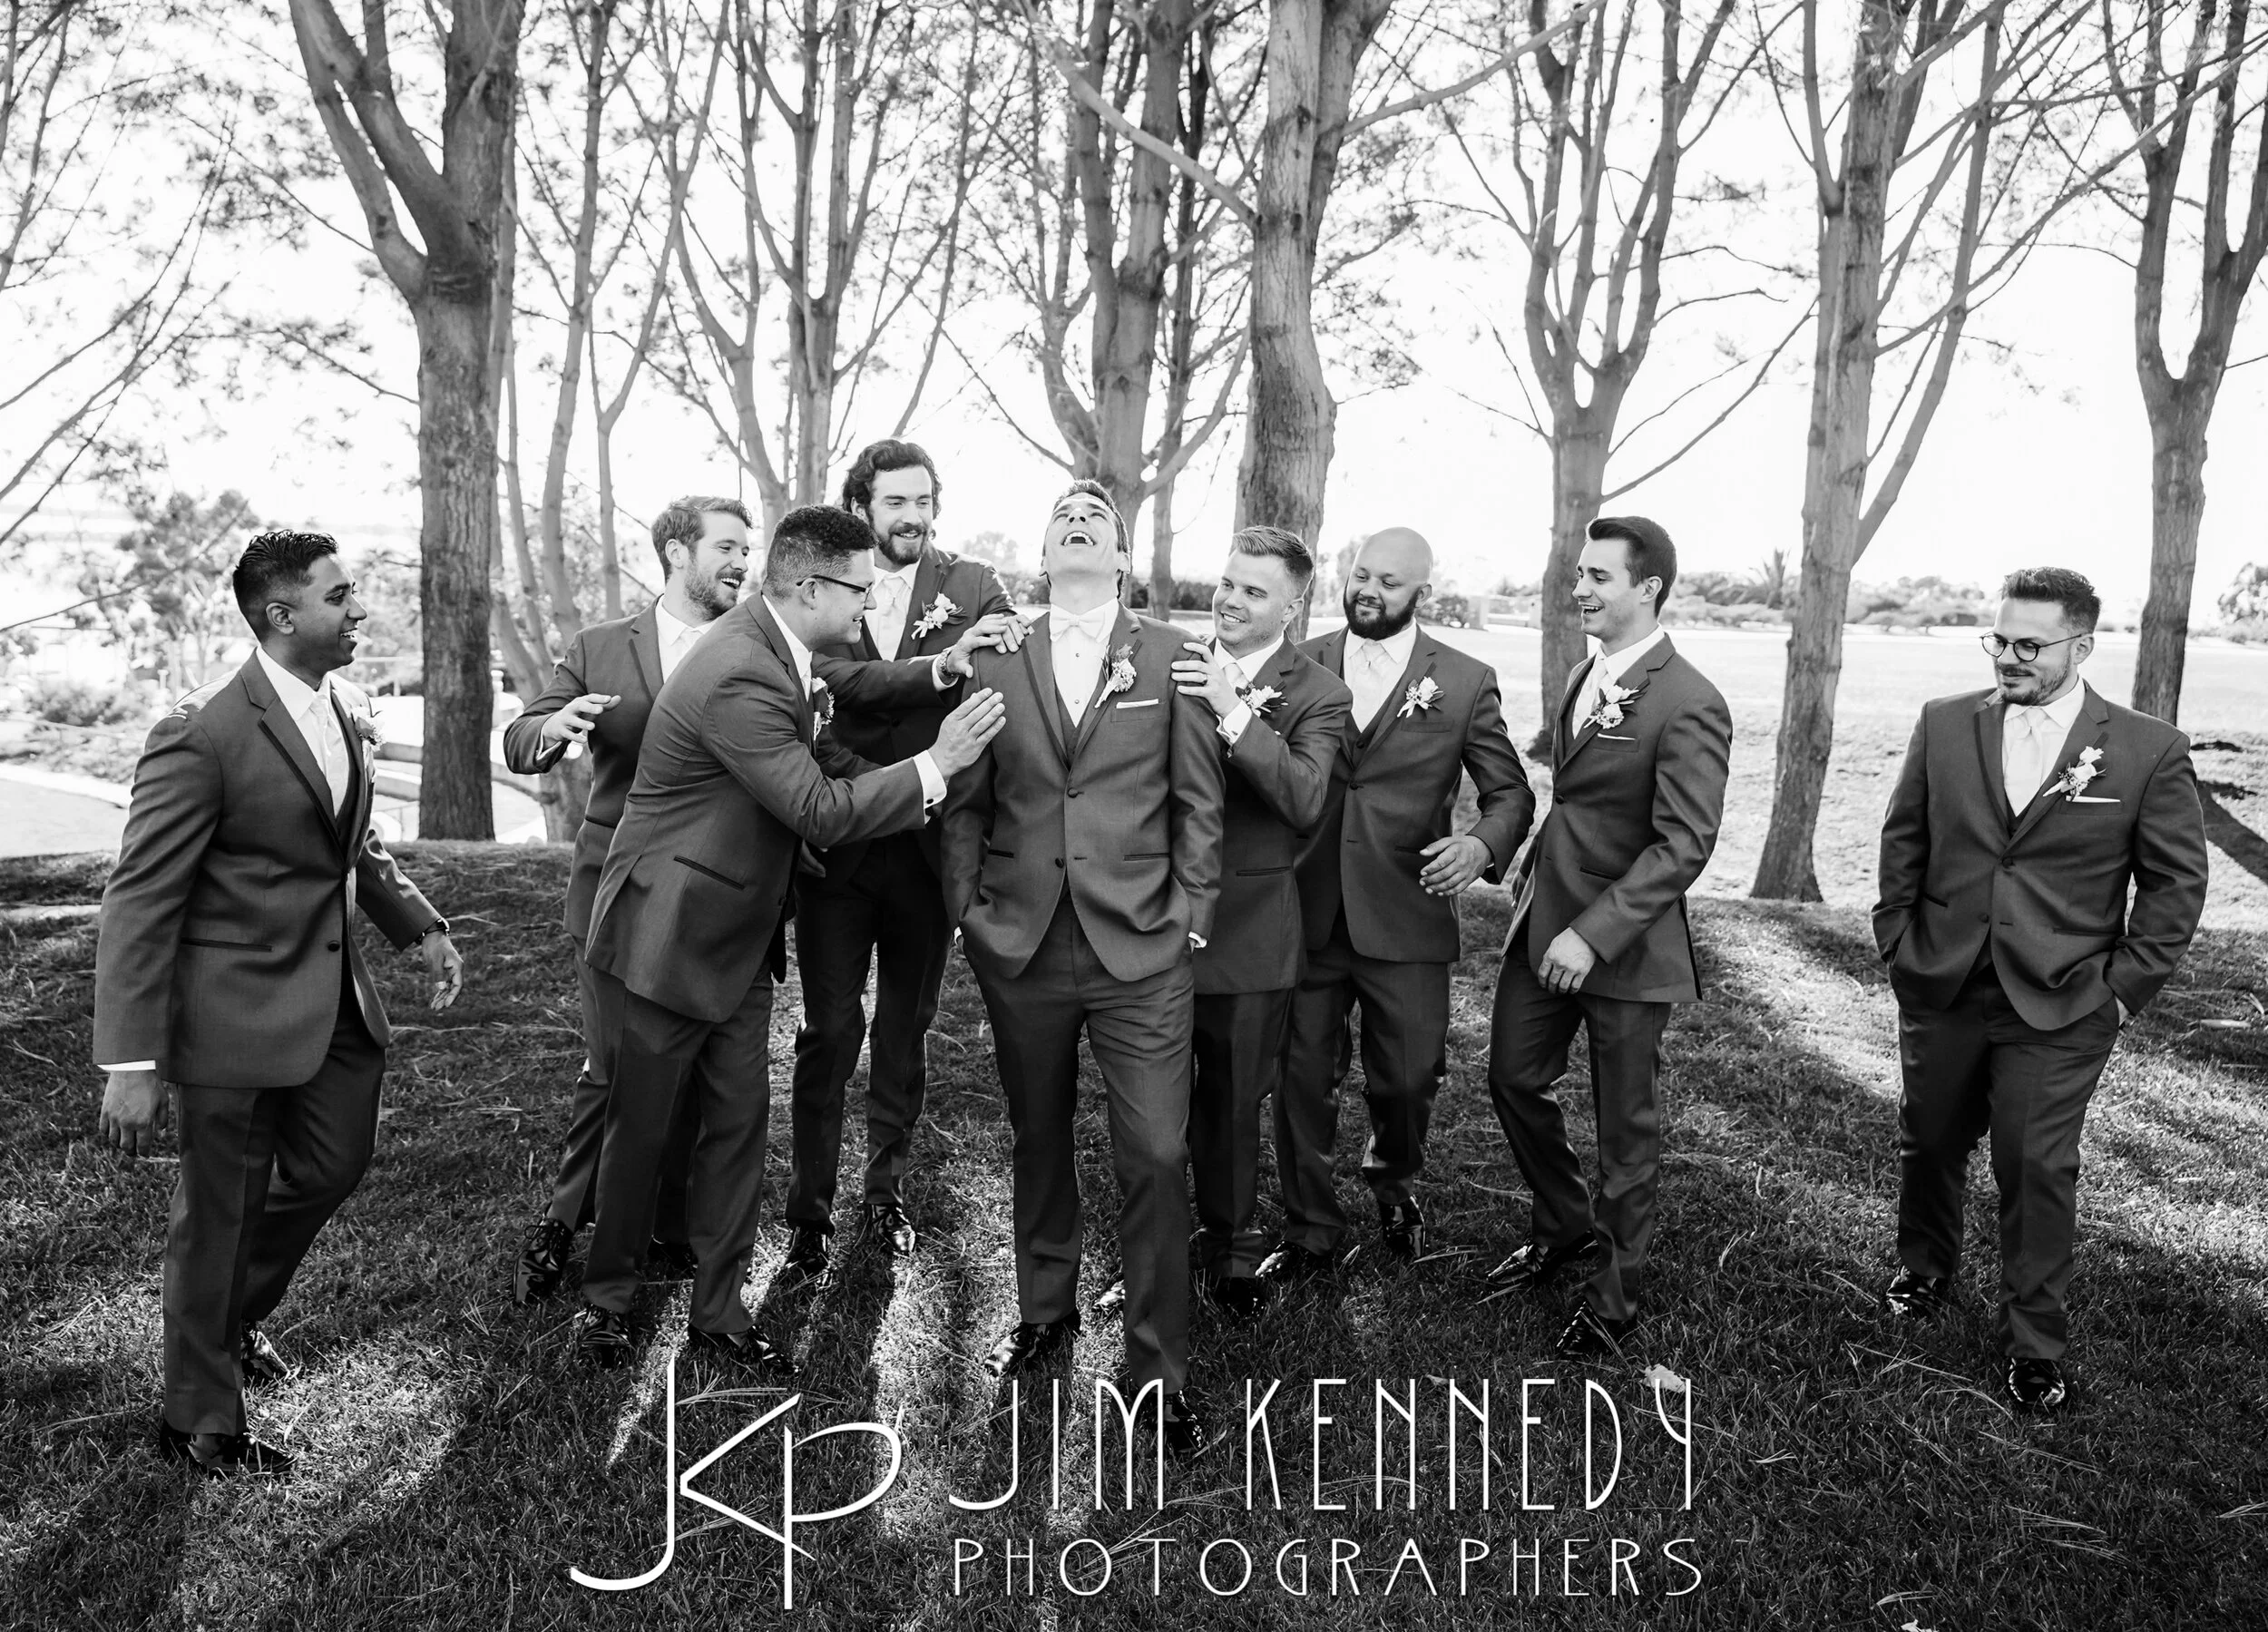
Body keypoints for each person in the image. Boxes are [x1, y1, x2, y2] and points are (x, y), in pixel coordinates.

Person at [572, 506, 1006, 1370]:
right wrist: (938, 763)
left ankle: (719, 1309)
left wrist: (929, 789)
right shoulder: (742, 669)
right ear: (810, 587)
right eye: (860, 590)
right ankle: (607, 1299)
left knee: (738, 1125)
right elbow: (816, 808)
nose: (869, 604)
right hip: (669, 930)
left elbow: (825, 762)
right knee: (643, 1127)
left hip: (740, 934)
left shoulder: (783, 652)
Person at [93, 528, 464, 1476]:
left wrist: (417, 923)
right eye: (340, 596)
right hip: (226, 1017)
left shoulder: (342, 703)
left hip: (334, 1002)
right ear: (281, 614)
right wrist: (131, 1060)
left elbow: (348, 839)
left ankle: (221, 1318)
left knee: (336, 1163)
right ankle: (199, 1417)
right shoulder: (201, 731)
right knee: (218, 1212)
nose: (360, 609)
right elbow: (140, 899)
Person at [1874, 566, 2207, 1412]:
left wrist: (2121, 990)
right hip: (1943, 977)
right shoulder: (1944, 723)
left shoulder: (2147, 748)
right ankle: (1924, 1271)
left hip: (2064, 997)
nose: (2009, 657)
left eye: (2030, 645)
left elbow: (2175, 884)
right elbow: (1904, 838)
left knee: (2036, 1163)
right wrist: (1899, 944)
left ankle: (2033, 1343)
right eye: (2000, 640)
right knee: (1930, 1138)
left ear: (2081, 646)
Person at [940, 479, 1225, 1458]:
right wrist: (968, 911)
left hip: (1142, 944)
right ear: (1043, 550)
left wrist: (1193, 913)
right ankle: (1045, 1308)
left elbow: (1197, 799)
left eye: (1095, 517)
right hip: (1020, 940)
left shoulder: (1171, 656)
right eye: (1062, 515)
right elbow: (967, 799)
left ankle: (1158, 1370)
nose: (1076, 522)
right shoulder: (996, 654)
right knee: (1038, 1131)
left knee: (1155, 1152)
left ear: (1121, 556)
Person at [1483, 516, 1732, 1359]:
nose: (1579, 588)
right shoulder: (1583, 673)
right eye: (1579, 573)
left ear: (1648, 587)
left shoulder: (1690, 698)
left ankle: (1615, 1297)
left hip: (1625, 944)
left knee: (1627, 1129)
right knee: (1513, 1077)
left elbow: (1684, 843)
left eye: (1598, 576)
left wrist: (1593, 935)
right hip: (1543, 918)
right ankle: (1564, 1223)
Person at [1262, 526, 1533, 1285]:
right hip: (1307, 909)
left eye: (1388, 581)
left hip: (1408, 911)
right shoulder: (1298, 661)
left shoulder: (1466, 680)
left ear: (1423, 593)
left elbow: (1511, 794)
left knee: (1409, 1078)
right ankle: (1310, 1225)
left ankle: (1393, 1178)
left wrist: (1479, 845)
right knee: (1301, 1076)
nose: (1368, 591)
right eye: (1361, 575)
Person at [500, 495, 752, 1305]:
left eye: (746, 549)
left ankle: (665, 1223)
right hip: (615, 890)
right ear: (677, 552)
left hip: (712, 899)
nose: (741, 562)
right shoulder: (600, 647)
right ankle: (563, 1220)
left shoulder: (756, 644)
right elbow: (521, 737)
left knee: (682, 1075)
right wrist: (555, 726)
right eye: (726, 546)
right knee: (613, 1066)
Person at [782, 438, 1020, 1280]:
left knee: (904, 1028)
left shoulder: (974, 586)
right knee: (828, 1030)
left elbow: (1003, 679)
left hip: (929, 848)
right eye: (895, 502)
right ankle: (809, 1209)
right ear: (861, 506)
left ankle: (885, 1193)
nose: (913, 516)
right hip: (840, 846)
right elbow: (836, 682)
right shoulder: (823, 589)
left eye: (924, 500)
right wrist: (940, 667)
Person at [1167, 527, 1352, 1319]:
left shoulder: (1319, 692)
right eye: (1228, 582)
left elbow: (1305, 797)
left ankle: (1233, 1249)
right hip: (1157, 917)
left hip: (1249, 929)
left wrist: (1231, 707)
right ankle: (1155, 1241)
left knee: (1234, 1100)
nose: (1231, 600)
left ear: (1291, 607)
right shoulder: (1167, 661)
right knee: (1153, 1104)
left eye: (1253, 591)